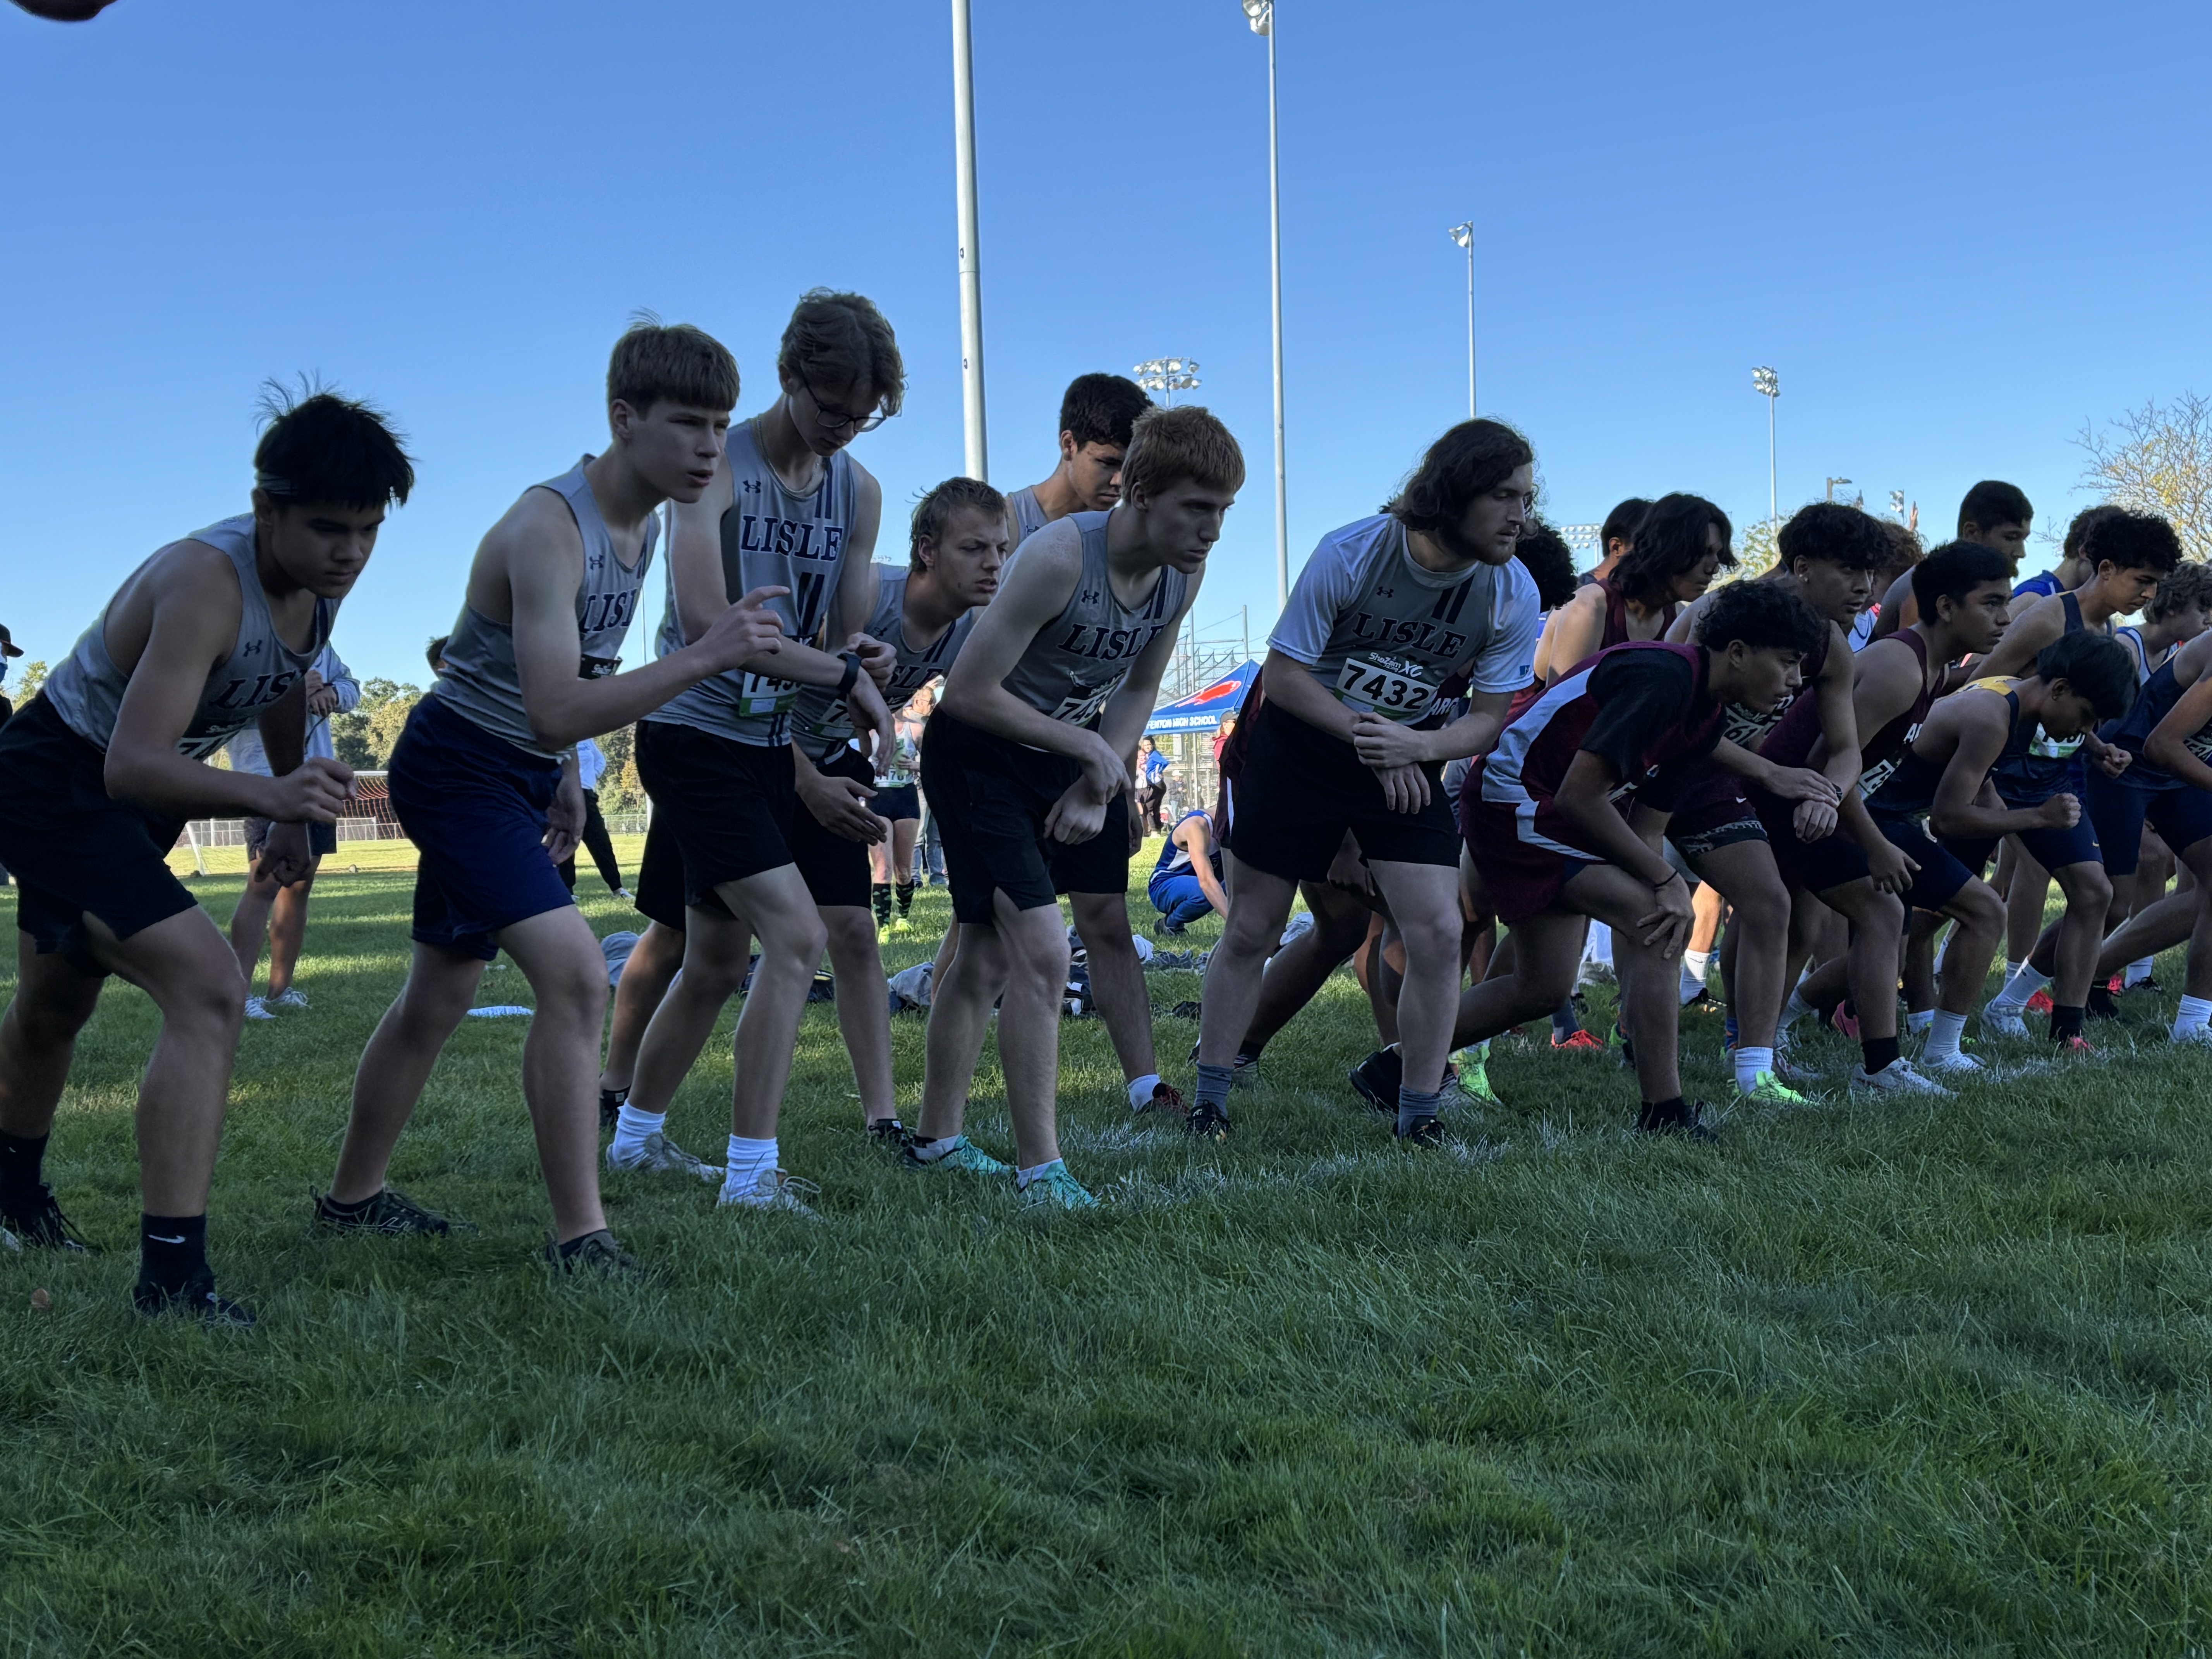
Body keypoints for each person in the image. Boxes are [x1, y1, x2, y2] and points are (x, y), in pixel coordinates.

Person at [326, 321, 786, 1272]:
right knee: (578, 977)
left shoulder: (648, 518)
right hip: (457, 768)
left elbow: (573, 687)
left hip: (521, 771)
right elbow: (555, 699)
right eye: (689, 423)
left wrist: (566, 786)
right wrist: (703, 656)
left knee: (437, 996)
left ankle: (350, 1201)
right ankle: (582, 1238)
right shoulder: (548, 527)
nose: (711, 446)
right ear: (623, 419)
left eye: (722, 425)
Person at [0, 390, 413, 1323]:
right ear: (266, 508)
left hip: (121, 793)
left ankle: (13, 1191)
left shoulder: (319, 583)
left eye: (367, 530)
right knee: (211, 987)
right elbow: (130, 762)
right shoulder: (203, 581)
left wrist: (290, 813)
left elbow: (282, 680)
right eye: (326, 529)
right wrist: (268, 798)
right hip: (61, 777)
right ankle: (173, 1282)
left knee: (55, 1004)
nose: (349, 551)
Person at [613, 291, 901, 1217]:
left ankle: (635, 1142)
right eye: (829, 409)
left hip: (767, 740)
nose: (842, 432)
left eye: (862, 417)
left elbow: (846, 629)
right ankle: (751, 1177)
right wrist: (839, 674)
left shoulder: (859, 489)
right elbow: (707, 623)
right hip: (693, 733)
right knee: (798, 937)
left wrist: (861, 658)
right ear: (788, 380)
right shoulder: (717, 464)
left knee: (712, 961)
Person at [913, 405, 1240, 1201]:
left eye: (1223, 511)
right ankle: (1041, 1170)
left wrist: (1100, 777)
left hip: (1067, 758)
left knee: (988, 952)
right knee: (1043, 952)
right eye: (1198, 509)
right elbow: (967, 694)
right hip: (979, 755)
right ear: (1139, 494)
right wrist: (1091, 753)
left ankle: (936, 1140)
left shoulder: (1182, 575)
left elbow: (1138, 685)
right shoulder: (1059, 557)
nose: (1213, 531)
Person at [1192, 419, 1542, 1147]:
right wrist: (1368, 736)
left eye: (1527, 498)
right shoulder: (1353, 550)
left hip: (1405, 752)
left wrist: (1415, 746)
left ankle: (1418, 1112)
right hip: (1300, 740)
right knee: (1253, 923)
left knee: (1440, 929)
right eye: (1504, 495)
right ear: (1452, 493)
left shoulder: (1512, 589)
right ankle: (1210, 1094)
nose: (1521, 515)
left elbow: (1486, 717)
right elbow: (1284, 677)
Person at [1454, 580, 1826, 1137]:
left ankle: (1393, 1063)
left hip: (1546, 807)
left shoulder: (1705, 715)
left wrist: (1659, 880)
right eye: (1789, 663)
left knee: (1544, 988)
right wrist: (1664, 881)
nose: (1796, 683)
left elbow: (1647, 823)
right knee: (1657, 921)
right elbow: (1580, 796)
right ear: (1739, 652)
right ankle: (1665, 1111)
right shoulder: (1665, 677)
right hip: (1514, 800)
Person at [783, 476, 1005, 1140]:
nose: (993, 564)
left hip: (833, 763)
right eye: (974, 548)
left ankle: (882, 1117)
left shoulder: (968, 628)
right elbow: (755, 700)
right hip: (753, 751)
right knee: (697, 948)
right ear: (926, 551)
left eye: (1000, 548)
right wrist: (806, 781)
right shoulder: (865, 598)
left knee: (853, 935)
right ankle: (620, 1090)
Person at [1874, 632, 2136, 1050]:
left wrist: (2098, 747)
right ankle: (1905, 1014)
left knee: (2088, 894)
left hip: (2002, 793)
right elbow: (1945, 819)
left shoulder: (2048, 696)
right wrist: (2037, 818)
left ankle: (2064, 1031)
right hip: (1913, 810)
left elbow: (2066, 710)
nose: (2085, 729)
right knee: (1931, 918)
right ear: (2060, 688)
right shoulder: (1991, 715)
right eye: (2087, 717)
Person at [1971, 509, 2179, 1037]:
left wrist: (2096, 746)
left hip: (2060, 779)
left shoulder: (2105, 630)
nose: (2149, 595)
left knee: (2098, 896)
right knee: (1942, 909)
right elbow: (1980, 686)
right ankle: (1867, 1003)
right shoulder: (2047, 617)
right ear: (2106, 568)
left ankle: (2055, 1025)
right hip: (2009, 780)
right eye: (2143, 581)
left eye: (2156, 584)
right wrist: (1987, 775)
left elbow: (2062, 707)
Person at [1815, 541, 2016, 1068]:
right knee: (1901, 913)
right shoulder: (1900, 668)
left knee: (1953, 914)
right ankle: (1907, 1059)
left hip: (1849, 813)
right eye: (1992, 603)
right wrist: (1875, 843)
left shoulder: (1930, 668)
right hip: (1803, 814)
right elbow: (1825, 766)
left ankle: (1890, 1054)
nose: (2006, 618)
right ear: (1947, 607)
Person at [2076, 623, 2212, 1041]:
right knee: (2110, 901)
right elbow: (2162, 744)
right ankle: (2014, 996)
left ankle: (2193, 1023)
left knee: (2202, 896)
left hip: (2177, 774)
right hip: (2127, 764)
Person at [225, 641, 360, 1018]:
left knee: (299, 886)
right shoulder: (247, 645)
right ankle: (238, 995)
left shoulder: (321, 645)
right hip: (264, 780)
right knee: (263, 886)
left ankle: (280, 990)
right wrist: (293, 691)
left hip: (317, 779)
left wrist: (331, 693)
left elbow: (352, 688)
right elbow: (226, 709)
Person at [1532, 500, 1723, 685]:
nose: (1713, 569)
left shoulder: (1680, 616)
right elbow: (1560, 712)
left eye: (1718, 555)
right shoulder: (1589, 607)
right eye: (1704, 552)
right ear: (1668, 549)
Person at [1003, 373, 1153, 548]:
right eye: (1108, 463)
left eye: (1130, 467)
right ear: (1069, 445)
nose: (1120, 481)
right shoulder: (1008, 524)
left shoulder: (1131, 537)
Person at [1873, 480, 2032, 639]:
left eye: (2024, 539)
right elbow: (1910, 661)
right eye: (2011, 538)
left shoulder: (1965, 588)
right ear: (1972, 533)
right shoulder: (1925, 585)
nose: (2021, 553)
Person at [557, 736, 629, 897]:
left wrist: (590, 779)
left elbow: (600, 761)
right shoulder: (560, 737)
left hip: (587, 795)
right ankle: (567, 891)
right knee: (568, 839)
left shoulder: (587, 739)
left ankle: (617, 889)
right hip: (565, 795)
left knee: (600, 841)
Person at [1148, 805, 1228, 934]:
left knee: (1241, 880)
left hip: (1198, 883)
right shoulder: (1196, 826)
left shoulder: (1228, 826)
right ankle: (1170, 924)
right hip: (1164, 885)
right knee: (1204, 892)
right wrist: (1235, 925)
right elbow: (1206, 882)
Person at [2014, 505, 2118, 602]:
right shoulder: (2035, 598)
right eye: (2108, 567)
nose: (2112, 577)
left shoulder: (2088, 607)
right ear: (2085, 552)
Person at [1575, 496, 1652, 587]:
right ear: (1617, 548)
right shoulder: (1576, 596)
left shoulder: (1635, 593)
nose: (1655, 558)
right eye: (1646, 547)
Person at [1137, 735, 1169, 832]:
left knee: (1149, 807)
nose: (1147, 747)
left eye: (1149, 745)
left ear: (1153, 745)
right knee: (1155, 807)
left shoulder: (1154, 754)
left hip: (1157, 784)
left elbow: (1165, 762)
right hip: (1152, 784)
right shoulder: (1148, 755)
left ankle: (1155, 830)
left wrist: (1159, 771)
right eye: (1146, 745)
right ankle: (1158, 828)